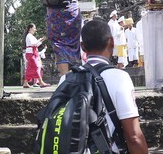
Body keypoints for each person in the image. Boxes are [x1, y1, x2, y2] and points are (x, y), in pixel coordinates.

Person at [60, 20, 148, 153]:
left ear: (82, 47)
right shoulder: (119, 77)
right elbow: (133, 136)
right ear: (111, 42)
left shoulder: (65, 78)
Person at [22, 23, 50, 88]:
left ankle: (25, 83)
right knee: (37, 67)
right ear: (30, 28)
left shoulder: (32, 36)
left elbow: (36, 45)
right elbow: (32, 44)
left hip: (33, 53)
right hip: (30, 53)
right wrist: (40, 39)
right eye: (34, 28)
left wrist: (41, 41)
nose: (35, 29)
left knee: (29, 68)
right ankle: (41, 82)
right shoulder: (29, 36)